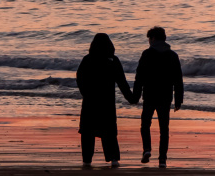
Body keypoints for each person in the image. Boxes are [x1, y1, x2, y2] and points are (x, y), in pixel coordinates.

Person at [76, 32, 135, 167]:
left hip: (90, 99)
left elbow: (79, 78)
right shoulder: (113, 60)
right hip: (107, 100)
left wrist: (85, 93)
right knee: (108, 129)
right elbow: (122, 81)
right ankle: (113, 158)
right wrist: (131, 98)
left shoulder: (88, 59)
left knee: (88, 131)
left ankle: (87, 160)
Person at [133, 26, 184, 167]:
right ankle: (162, 159)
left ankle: (147, 150)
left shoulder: (147, 54)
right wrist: (179, 99)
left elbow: (139, 77)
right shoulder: (172, 55)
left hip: (149, 94)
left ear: (153, 38)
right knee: (164, 128)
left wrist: (135, 96)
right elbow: (178, 79)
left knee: (145, 124)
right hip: (165, 96)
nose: (149, 41)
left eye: (149, 39)